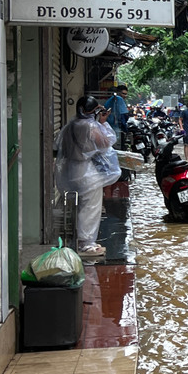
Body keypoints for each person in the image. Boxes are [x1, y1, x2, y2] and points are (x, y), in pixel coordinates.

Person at [54, 95, 118, 260]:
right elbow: (105, 143)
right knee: (90, 206)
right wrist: (103, 123)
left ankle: (77, 240)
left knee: (77, 206)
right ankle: (86, 243)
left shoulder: (71, 125)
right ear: (94, 111)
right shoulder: (89, 125)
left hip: (70, 170)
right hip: (86, 171)